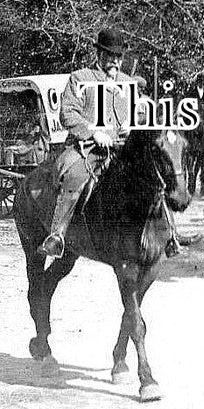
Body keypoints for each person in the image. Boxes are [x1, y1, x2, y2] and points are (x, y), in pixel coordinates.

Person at [37, 28, 188, 259]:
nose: (114, 61)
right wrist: (92, 132)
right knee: (74, 176)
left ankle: (170, 236)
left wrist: (136, 123)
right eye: (109, 55)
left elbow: (140, 114)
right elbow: (67, 113)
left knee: (153, 175)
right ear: (99, 54)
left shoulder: (128, 83)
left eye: (118, 57)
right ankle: (57, 235)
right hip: (87, 148)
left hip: (122, 148)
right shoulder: (80, 78)